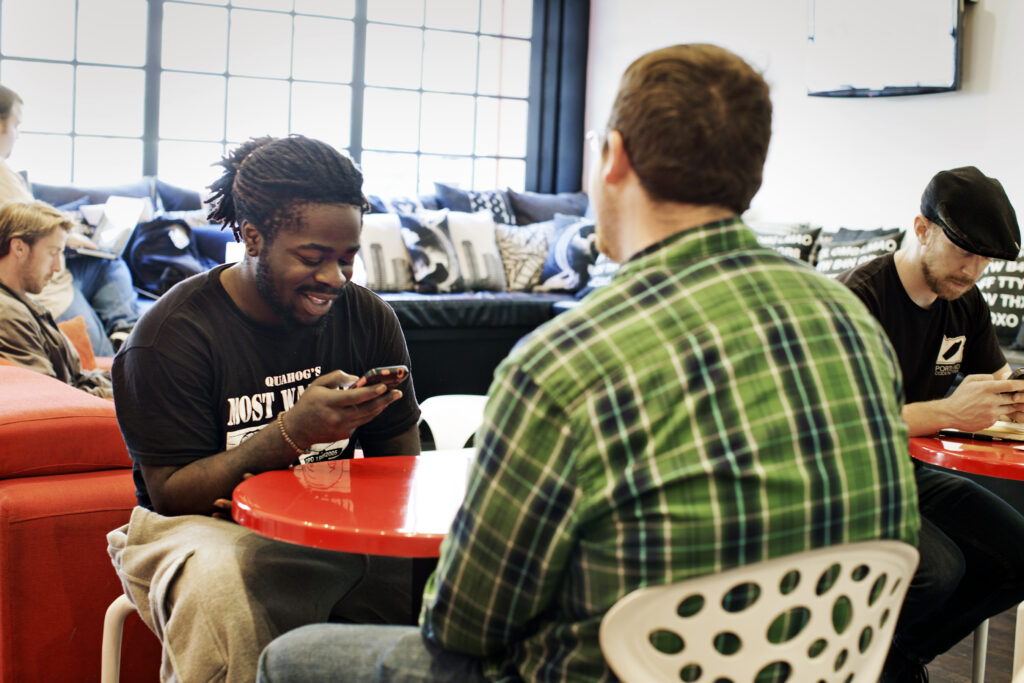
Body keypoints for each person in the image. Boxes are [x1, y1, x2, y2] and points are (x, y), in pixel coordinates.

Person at [257, 44, 920, 683]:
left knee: (294, 658)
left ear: (615, 158)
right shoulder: (851, 320)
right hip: (817, 665)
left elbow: (465, 624)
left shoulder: (565, 365)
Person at [106, 134, 423, 682]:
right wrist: (293, 433)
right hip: (196, 529)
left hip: (326, 518)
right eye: (313, 258)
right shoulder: (170, 338)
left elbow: (399, 456)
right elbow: (171, 493)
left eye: (347, 259)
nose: (335, 278)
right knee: (224, 578)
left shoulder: (368, 318)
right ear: (252, 237)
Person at [837, 165, 1024, 682]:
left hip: (902, 470)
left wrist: (1014, 399)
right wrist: (946, 412)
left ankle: (894, 661)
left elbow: (1000, 383)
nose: (975, 270)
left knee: (1018, 553)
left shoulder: (963, 301)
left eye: (986, 258)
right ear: (922, 229)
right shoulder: (858, 301)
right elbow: (844, 429)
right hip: (839, 475)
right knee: (938, 570)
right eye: (965, 250)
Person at [0, 83, 141, 357]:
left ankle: (125, 333)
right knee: (98, 362)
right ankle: (121, 354)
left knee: (107, 262)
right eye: (16, 124)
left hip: (58, 269)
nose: (17, 135)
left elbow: (30, 221)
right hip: (44, 286)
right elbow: (23, 229)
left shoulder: (6, 173)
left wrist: (67, 238)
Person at [0, 199, 112, 396]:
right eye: (52, 253)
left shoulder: (22, 303)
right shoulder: (7, 314)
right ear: (19, 248)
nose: (58, 268)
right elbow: (52, 397)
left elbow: (77, 378)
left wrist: (129, 377)